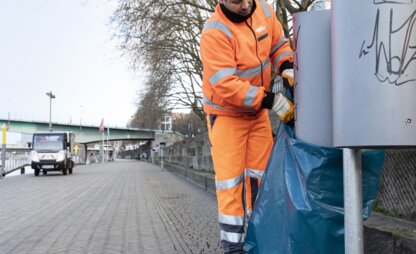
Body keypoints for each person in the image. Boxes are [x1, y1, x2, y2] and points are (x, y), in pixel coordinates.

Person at [199, 0, 294, 253]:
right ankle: (233, 247)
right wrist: (271, 100)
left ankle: (260, 239)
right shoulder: (214, 33)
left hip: (256, 114)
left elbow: (278, 44)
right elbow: (226, 86)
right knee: (231, 185)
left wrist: (287, 66)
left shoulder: (263, 9)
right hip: (227, 115)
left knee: (262, 180)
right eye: (235, 1)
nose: (244, 6)